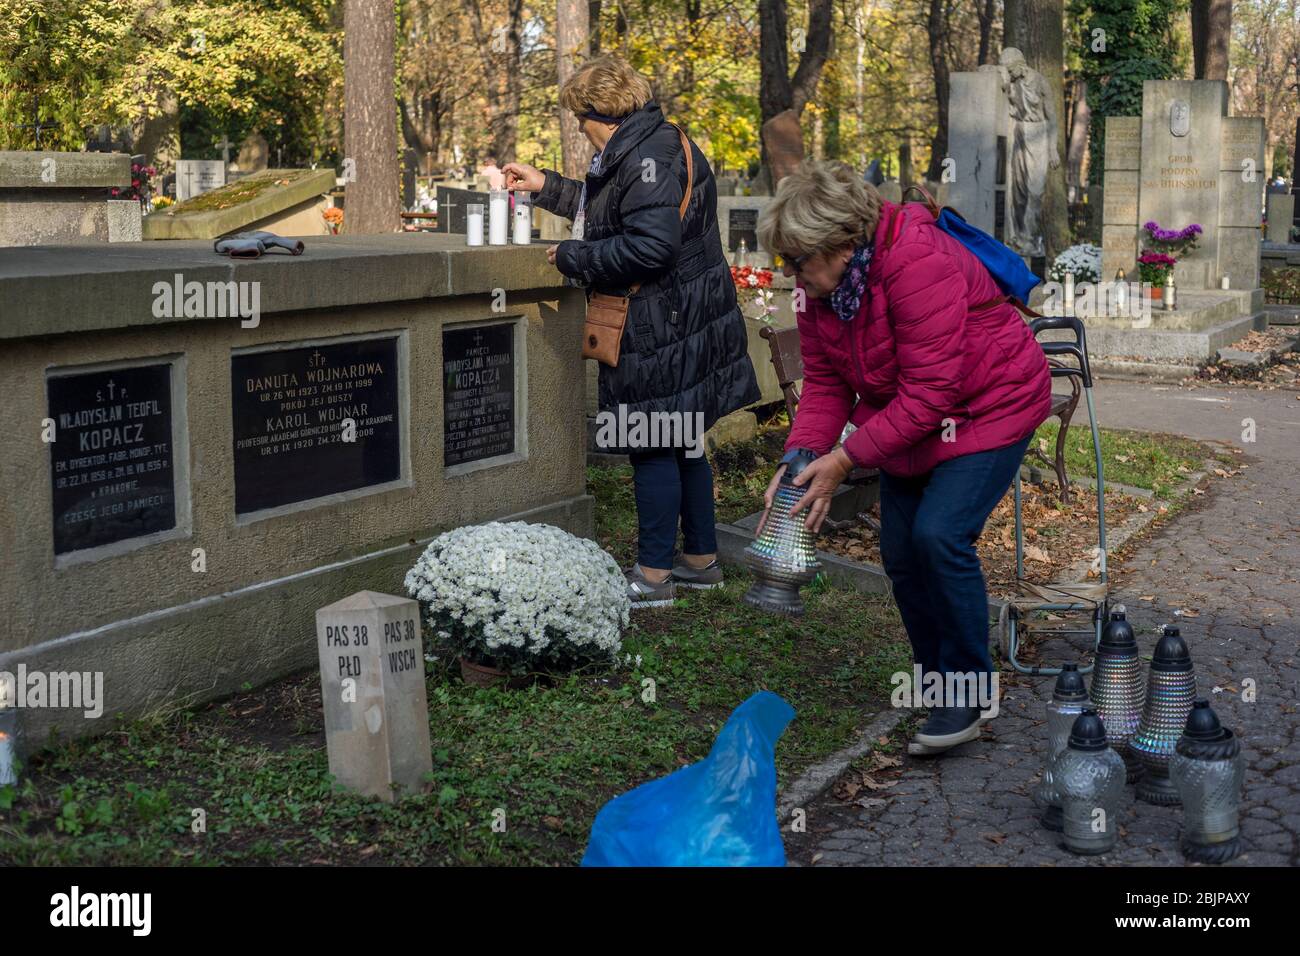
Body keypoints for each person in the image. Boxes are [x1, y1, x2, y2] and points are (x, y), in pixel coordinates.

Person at [757, 161, 1052, 753]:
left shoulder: (916, 262)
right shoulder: (822, 288)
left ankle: (967, 691)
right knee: (900, 549)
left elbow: (930, 392)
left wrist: (842, 461)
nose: (792, 275)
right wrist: (802, 456)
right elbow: (826, 383)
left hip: (991, 406)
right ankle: (933, 676)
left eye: (799, 262)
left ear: (841, 245)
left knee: (939, 536)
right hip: (912, 420)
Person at [503, 55, 760, 607]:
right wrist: (545, 185)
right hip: (684, 319)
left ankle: (653, 577)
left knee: (651, 446)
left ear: (601, 114)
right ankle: (700, 560)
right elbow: (613, 211)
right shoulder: (654, 143)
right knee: (683, 439)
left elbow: (650, 247)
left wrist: (575, 256)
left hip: (659, 326)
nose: (580, 131)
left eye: (580, 120)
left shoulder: (644, 155)